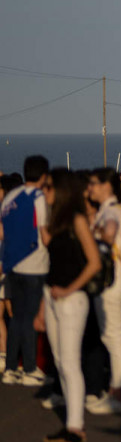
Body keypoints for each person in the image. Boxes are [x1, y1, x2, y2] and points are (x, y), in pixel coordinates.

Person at [41, 169, 101, 442]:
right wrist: (43, 306)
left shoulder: (77, 220)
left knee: (69, 362)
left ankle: (76, 427)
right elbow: (52, 265)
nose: (44, 191)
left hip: (71, 299)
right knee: (60, 362)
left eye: (48, 187)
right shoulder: (56, 220)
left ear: (61, 189)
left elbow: (94, 263)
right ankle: (70, 423)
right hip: (52, 296)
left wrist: (69, 288)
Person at [86, 167, 121, 414]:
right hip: (116, 278)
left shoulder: (112, 211)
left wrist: (96, 234)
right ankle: (118, 391)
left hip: (112, 279)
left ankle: (120, 393)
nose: (90, 188)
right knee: (114, 336)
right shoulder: (113, 209)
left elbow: (111, 232)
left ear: (107, 186)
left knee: (114, 336)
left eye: (94, 183)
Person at [1, 155, 50, 387]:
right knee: (29, 318)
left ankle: (11, 367)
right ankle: (29, 368)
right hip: (35, 264)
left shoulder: (10, 196)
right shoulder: (39, 198)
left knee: (17, 317)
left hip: (13, 264)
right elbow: (43, 232)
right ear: (44, 175)